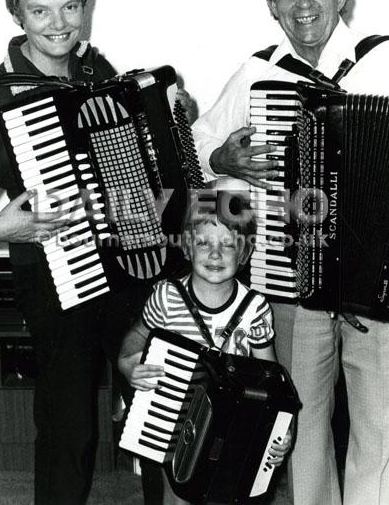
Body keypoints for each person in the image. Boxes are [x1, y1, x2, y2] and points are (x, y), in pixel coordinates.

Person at [0, 0, 194, 504]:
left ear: (85, 2)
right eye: (40, 10)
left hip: (131, 267)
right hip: (58, 280)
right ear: (18, 11)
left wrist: (171, 119)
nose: (58, 23)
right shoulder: (2, 100)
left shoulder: (97, 70)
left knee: (160, 397)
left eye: (69, 6)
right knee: (71, 429)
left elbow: (134, 154)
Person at [191, 0, 389, 505]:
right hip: (291, 283)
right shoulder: (258, 74)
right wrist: (221, 159)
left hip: (382, 289)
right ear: (272, 5)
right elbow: (198, 141)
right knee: (300, 425)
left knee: (382, 433)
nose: (304, 1)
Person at [118, 199, 293, 505]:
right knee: (178, 497)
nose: (215, 254)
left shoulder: (255, 308)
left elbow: (272, 380)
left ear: (245, 253)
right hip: (172, 420)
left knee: (228, 494)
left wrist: (280, 433)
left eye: (228, 245)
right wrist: (126, 364)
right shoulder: (167, 296)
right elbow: (137, 337)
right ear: (187, 247)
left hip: (234, 423)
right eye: (203, 242)